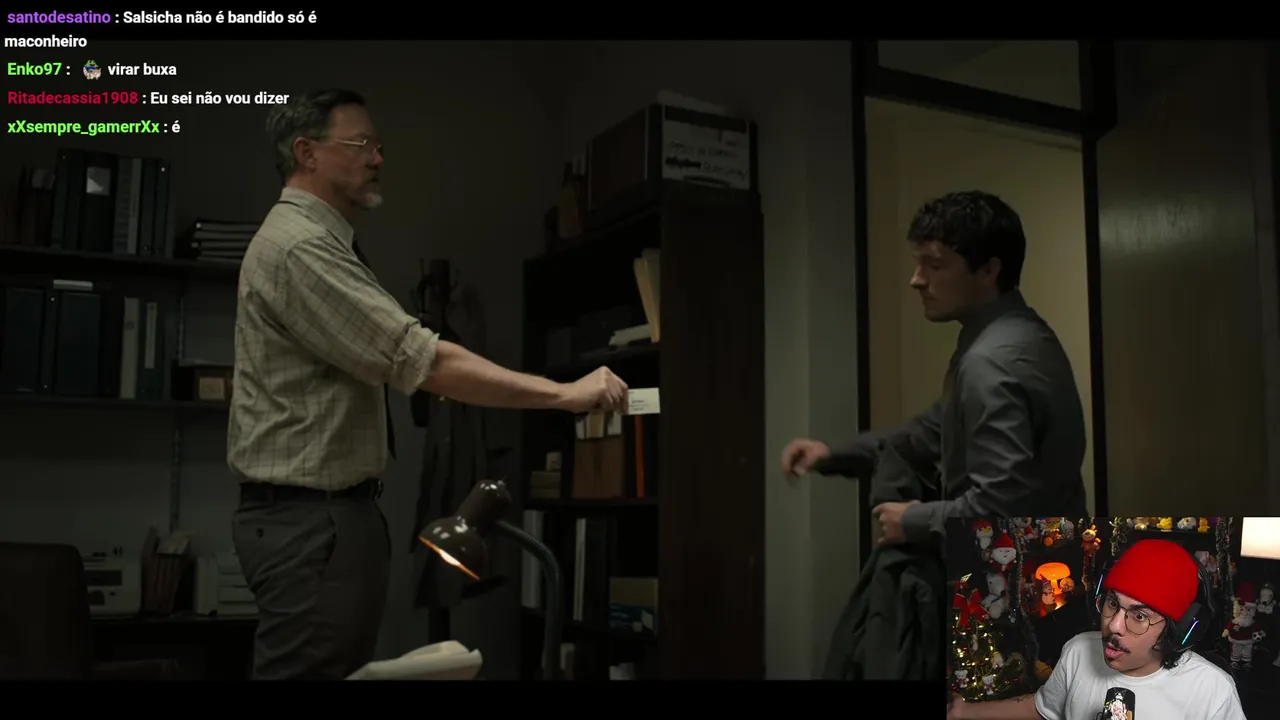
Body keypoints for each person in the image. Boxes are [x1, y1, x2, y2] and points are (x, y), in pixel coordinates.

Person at [226, 89, 628, 680]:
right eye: (362, 144)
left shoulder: (318, 241)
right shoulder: (300, 248)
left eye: (379, 145)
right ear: (307, 153)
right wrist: (564, 394)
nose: (378, 158)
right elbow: (422, 360)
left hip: (325, 521)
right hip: (312, 525)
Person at [780, 191, 1087, 545]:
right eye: (919, 264)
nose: (917, 280)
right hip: (1052, 557)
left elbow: (1003, 509)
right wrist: (832, 454)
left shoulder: (990, 361)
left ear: (989, 270)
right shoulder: (1021, 333)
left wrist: (913, 521)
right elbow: (929, 433)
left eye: (935, 266)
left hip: (1027, 566)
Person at [946, 539, 1246, 720]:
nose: (1113, 625)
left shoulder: (1212, 690)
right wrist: (964, 712)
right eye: (1113, 603)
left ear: (1179, 629)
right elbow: (1044, 709)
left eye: (1139, 615)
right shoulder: (1078, 650)